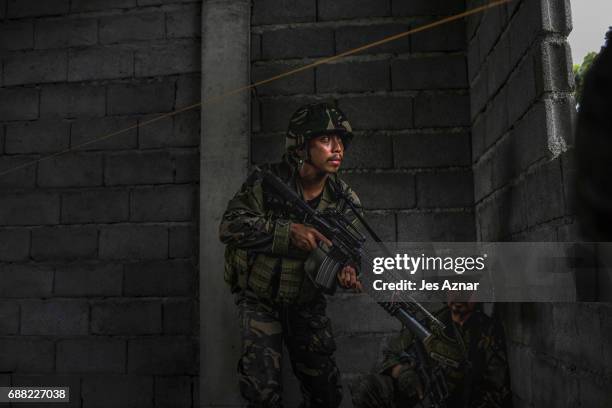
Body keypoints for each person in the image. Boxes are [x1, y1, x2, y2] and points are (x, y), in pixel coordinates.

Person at [219, 102, 363, 408]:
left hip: (305, 303)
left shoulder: (345, 201)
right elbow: (229, 227)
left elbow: (353, 252)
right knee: (261, 391)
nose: (337, 148)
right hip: (261, 299)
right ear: (301, 146)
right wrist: (288, 233)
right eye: (326, 140)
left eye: (341, 141)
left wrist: (347, 268)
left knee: (325, 393)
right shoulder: (267, 183)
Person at [351, 297, 512, 408]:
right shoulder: (429, 320)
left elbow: (496, 388)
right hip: (420, 397)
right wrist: (402, 371)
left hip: (461, 401)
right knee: (367, 388)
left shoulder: (487, 330)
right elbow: (390, 353)